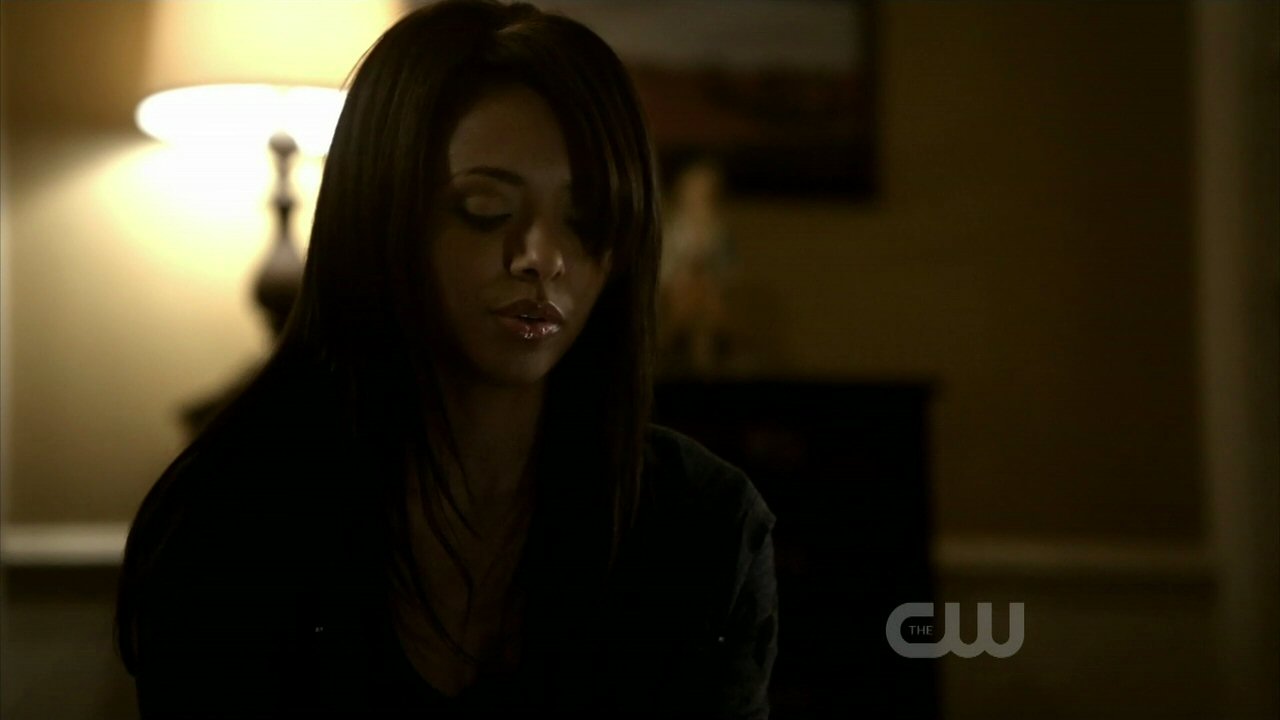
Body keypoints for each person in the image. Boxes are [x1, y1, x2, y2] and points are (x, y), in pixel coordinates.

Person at [113, 1, 778, 717]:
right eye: (485, 208)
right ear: (383, 213)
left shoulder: (699, 525)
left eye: (584, 218)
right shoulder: (236, 520)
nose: (540, 257)